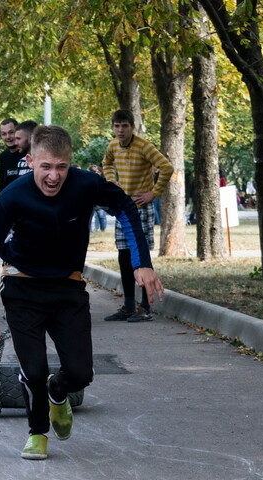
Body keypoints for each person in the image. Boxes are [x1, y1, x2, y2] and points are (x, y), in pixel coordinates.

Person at [0, 125, 164, 460]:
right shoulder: (12, 197)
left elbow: (125, 208)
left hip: (67, 288)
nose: (53, 176)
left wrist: (141, 262)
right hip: (22, 289)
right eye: (46, 166)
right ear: (30, 161)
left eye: (61, 167)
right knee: (33, 369)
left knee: (80, 373)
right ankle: (37, 433)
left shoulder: (86, 185)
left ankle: (57, 393)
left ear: (70, 163)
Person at [101, 108, 173, 322]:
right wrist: (111, 182)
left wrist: (154, 193)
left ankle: (145, 307)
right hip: (123, 207)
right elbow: (106, 163)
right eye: (117, 126)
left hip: (141, 206)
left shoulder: (144, 146)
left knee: (141, 257)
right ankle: (128, 305)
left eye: (125, 126)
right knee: (124, 256)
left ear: (132, 127)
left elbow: (166, 167)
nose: (120, 130)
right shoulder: (113, 146)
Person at [0, 118, 22, 191]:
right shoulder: (3, 157)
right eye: (4, 134)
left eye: (11, 132)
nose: (8, 137)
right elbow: (2, 186)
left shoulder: (28, 154)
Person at [89, 165, 108, 232]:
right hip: (92, 202)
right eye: (95, 171)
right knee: (94, 217)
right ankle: (96, 229)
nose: (97, 173)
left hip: (101, 203)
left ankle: (103, 230)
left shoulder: (103, 180)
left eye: (98, 172)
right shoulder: (89, 180)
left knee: (102, 216)